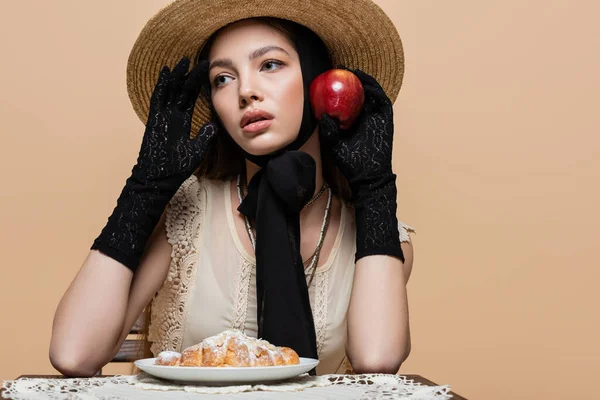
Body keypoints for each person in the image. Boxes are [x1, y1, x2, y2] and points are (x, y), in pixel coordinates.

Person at [49, 0, 415, 377]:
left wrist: (375, 190)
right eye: (223, 78)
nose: (246, 91)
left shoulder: (379, 233)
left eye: (270, 64)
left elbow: (377, 360)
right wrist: (145, 187)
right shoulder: (185, 212)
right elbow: (74, 355)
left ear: (317, 81)